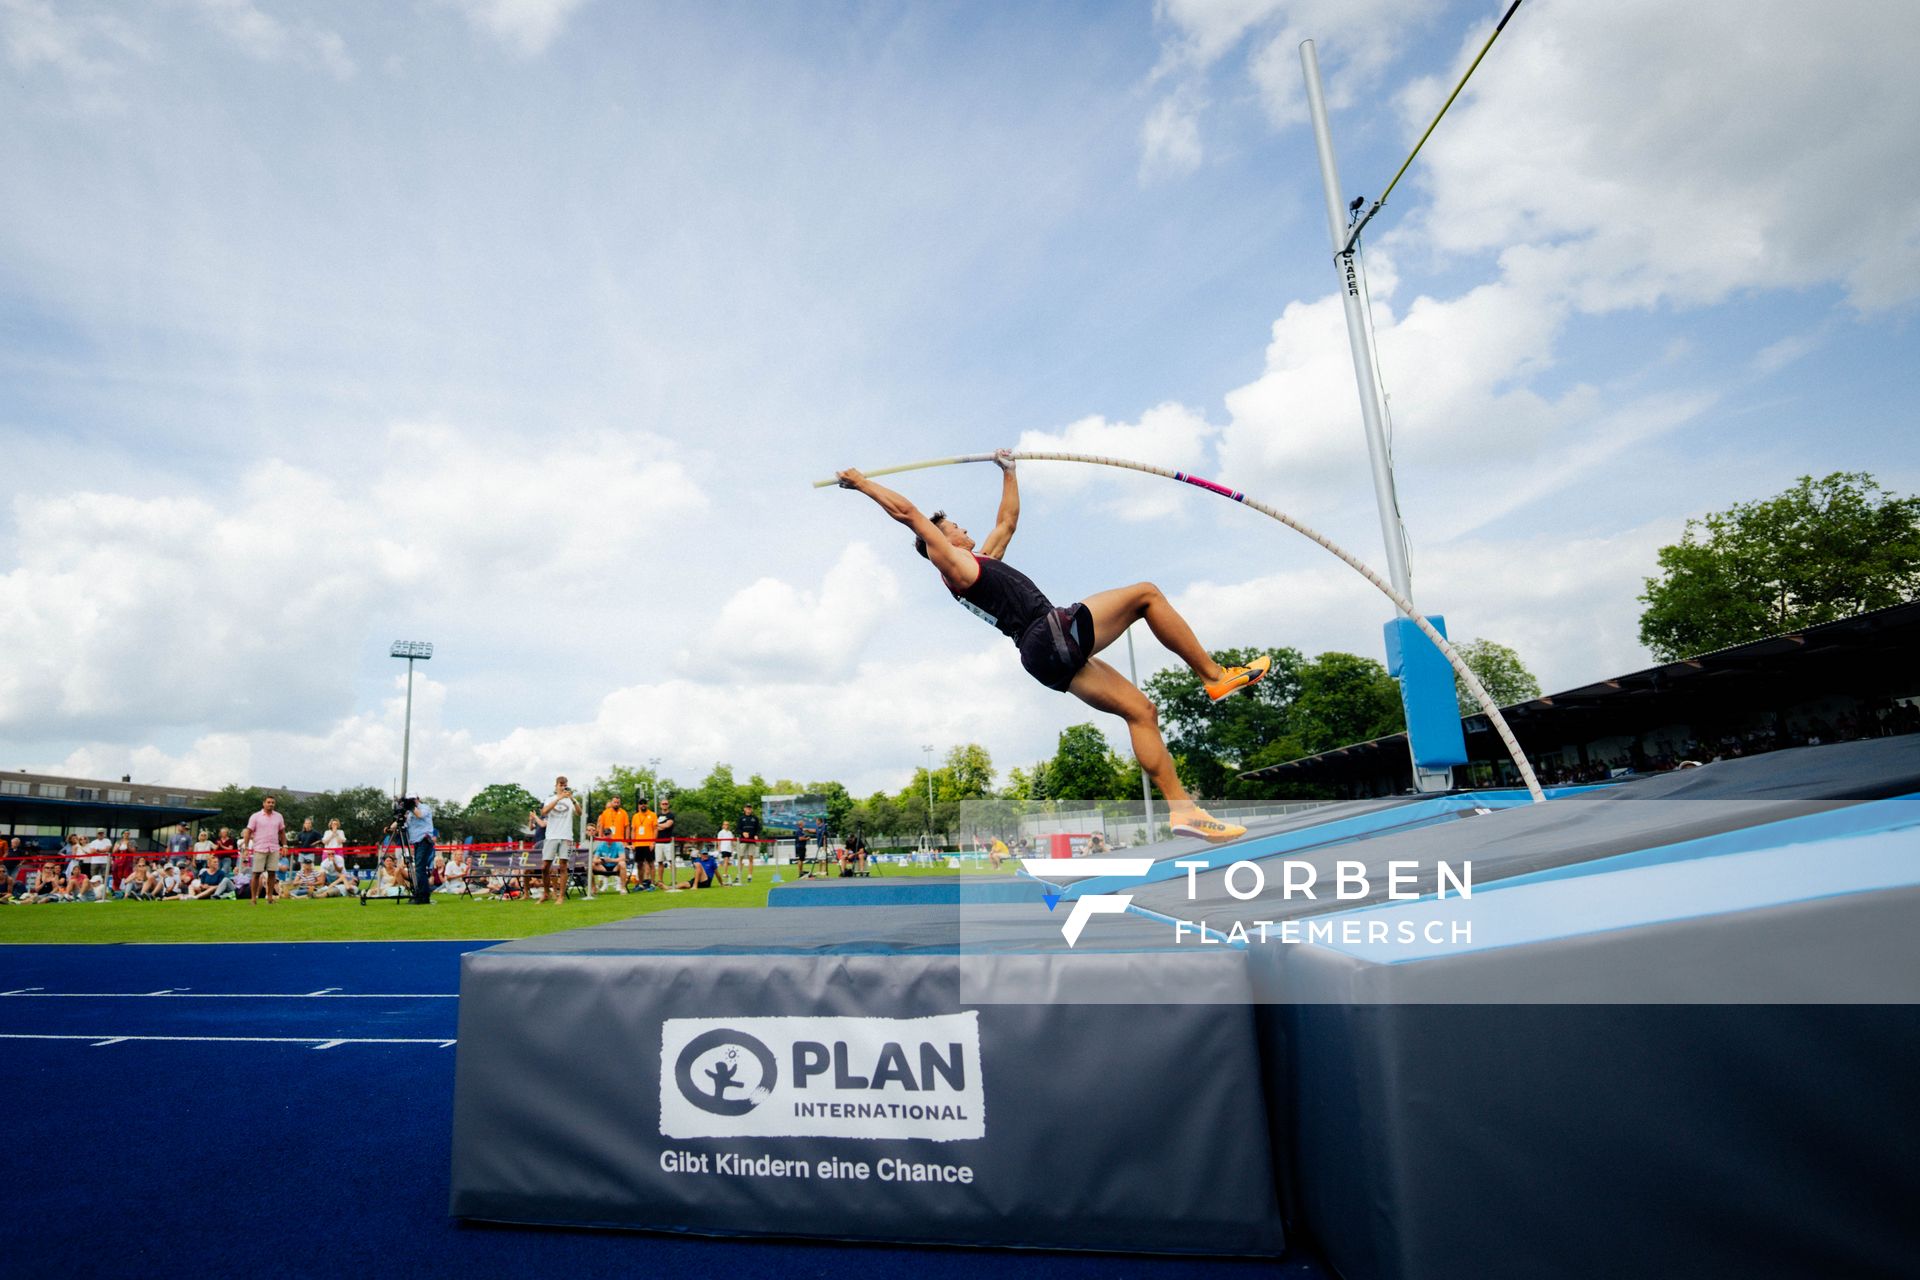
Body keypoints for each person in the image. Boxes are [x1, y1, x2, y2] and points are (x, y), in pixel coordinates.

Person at [836, 453, 1268, 841]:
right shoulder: (952, 566)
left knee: (1141, 712)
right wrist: (863, 483)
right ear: (941, 543)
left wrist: (1009, 472)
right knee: (1146, 594)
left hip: (1042, 655)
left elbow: (1006, 523)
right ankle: (1214, 676)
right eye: (955, 528)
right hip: (1047, 632)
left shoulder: (979, 563)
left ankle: (1183, 811)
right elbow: (909, 513)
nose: (965, 529)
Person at [537, 777, 577, 905]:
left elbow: (580, 813)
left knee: (563, 866)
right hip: (551, 836)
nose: (563, 787)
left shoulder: (571, 800)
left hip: (565, 836)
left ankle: (561, 896)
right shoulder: (550, 799)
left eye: (565, 785)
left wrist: (572, 799)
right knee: (544, 867)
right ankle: (546, 893)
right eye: (561, 785)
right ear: (556, 786)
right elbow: (543, 812)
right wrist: (559, 798)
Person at [243, 796, 287, 904]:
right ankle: (253, 899)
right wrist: (246, 847)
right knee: (256, 873)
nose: (271, 804)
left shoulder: (279, 816)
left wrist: (285, 845)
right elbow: (248, 832)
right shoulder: (255, 816)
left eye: (273, 802)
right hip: (259, 848)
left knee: (272, 873)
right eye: (268, 802)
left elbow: (282, 832)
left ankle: (270, 898)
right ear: (264, 803)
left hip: (274, 848)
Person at [397, 797, 436, 906]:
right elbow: (402, 823)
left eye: (413, 799)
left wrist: (411, 806)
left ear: (417, 799)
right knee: (419, 868)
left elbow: (420, 815)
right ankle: (420, 894)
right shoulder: (409, 813)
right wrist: (390, 827)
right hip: (416, 842)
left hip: (425, 839)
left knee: (420, 868)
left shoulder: (424, 808)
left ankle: (423, 896)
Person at [594, 796, 630, 894]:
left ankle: (620, 886)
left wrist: (626, 842)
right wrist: (601, 838)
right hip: (605, 844)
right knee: (593, 864)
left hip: (620, 842)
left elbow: (627, 827)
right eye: (615, 802)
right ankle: (597, 887)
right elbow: (601, 826)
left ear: (620, 803)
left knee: (622, 863)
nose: (616, 804)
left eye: (618, 802)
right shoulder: (605, 813)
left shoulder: (624, 813)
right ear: (612, 802)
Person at [631, 796, 659, 892]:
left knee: (651, 863)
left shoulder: (653, 815)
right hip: (638, 844)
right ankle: (641, 884)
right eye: (641, 803)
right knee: (639, 864)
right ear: (639, 805)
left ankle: (652, 883)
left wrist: (653, 842)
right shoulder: (635, 816)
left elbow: (655, 829)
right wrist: (633, 843)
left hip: (649, 843)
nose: (643, 805)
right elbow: (633, 830)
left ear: (647, 804)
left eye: (644, 803)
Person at [738, 805, 761, 886]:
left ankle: (749, 876)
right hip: (743, 840)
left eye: (750, 808)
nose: (749, 809)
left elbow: (758, 829)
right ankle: (739, 874)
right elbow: (738, 828)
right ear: (744, 809)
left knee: (751, 858)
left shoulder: (755, 818)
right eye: (747, 808)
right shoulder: (741, 818)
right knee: (740, 857)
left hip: (752, 841)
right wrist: (743, 833)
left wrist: (756, 835)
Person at [714, 821, 736, 886]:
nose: (726, 826)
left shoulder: (730, 833)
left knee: (727, 861)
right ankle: (725, 873)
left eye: (727, 825)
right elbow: (719, 840)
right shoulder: (721, 832)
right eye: (725, 824)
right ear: (723, 825)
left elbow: (731, 841)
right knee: (726, 860)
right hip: (724, 848)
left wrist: (732, 848)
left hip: (729, 848)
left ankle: (724, 872)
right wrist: (719, 847)